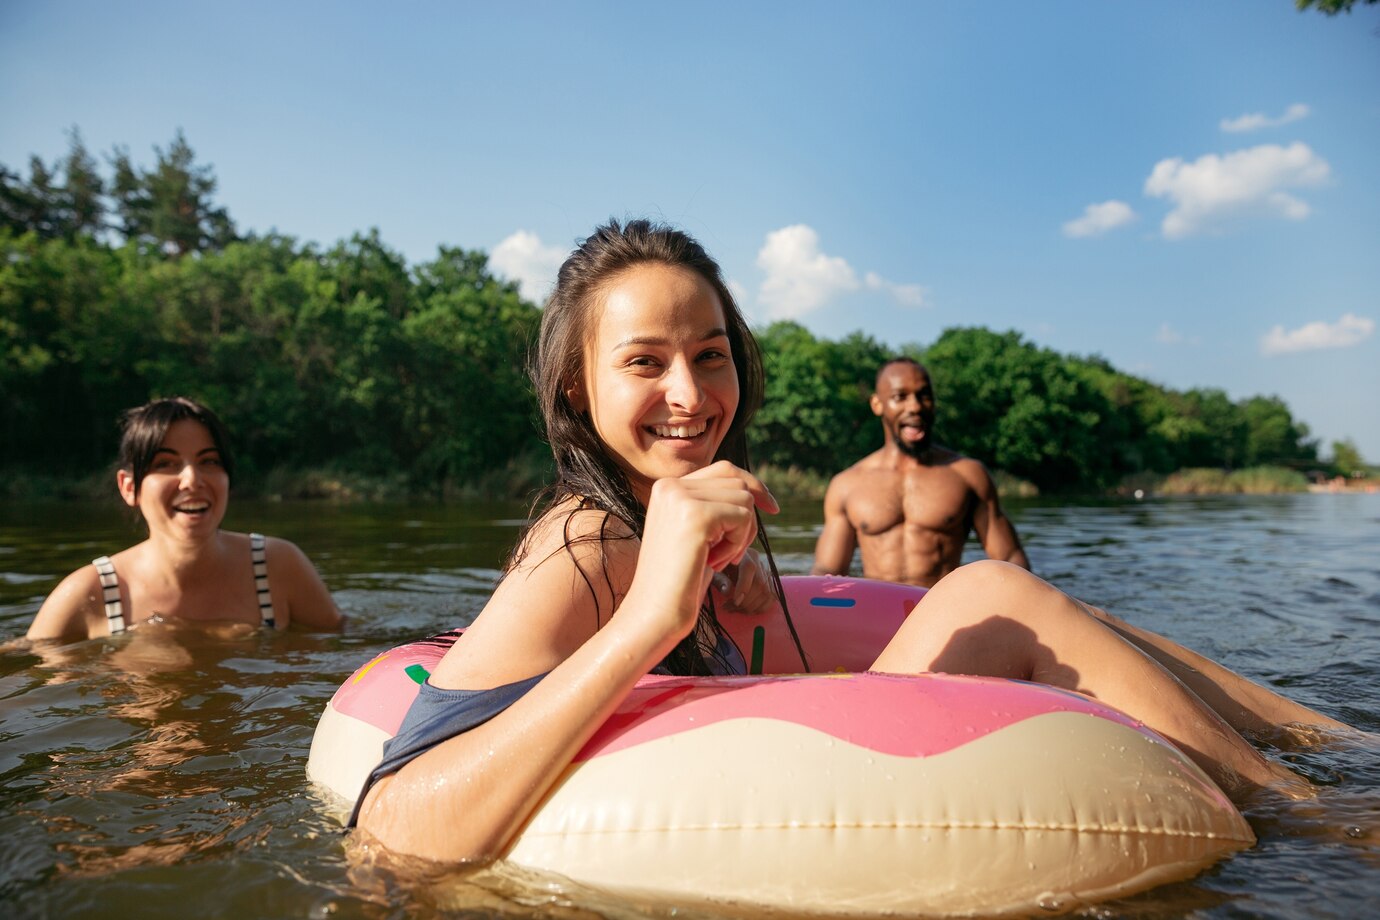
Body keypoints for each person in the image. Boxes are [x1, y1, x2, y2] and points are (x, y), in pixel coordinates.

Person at [352, 219, 1346, 865]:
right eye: (644, 362)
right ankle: (1316, 810)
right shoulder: (585, 542)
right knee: (979, 591)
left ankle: (1331, 742)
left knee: (1032, 601)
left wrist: (714, 601)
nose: (692, 395)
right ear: (576, 386)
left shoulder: (694, 516)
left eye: (712, 355)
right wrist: (655, 615)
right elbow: (386, 824)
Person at [26, 397, 342, 642]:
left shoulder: (277, 566)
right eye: (166, 463)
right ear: (129, 486)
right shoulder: (91, 592)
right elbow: (27, 677)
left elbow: (344, 646)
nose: (192, 479)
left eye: (209, 461)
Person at [812, 358, 1029, 588]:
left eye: (924, 395)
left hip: (944, 615)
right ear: (877, 405)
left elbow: (1010, 559)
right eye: (900, 397)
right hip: (878, 615)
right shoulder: (847, 484)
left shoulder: (968, 475)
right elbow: (827, 572)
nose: (915, 406)